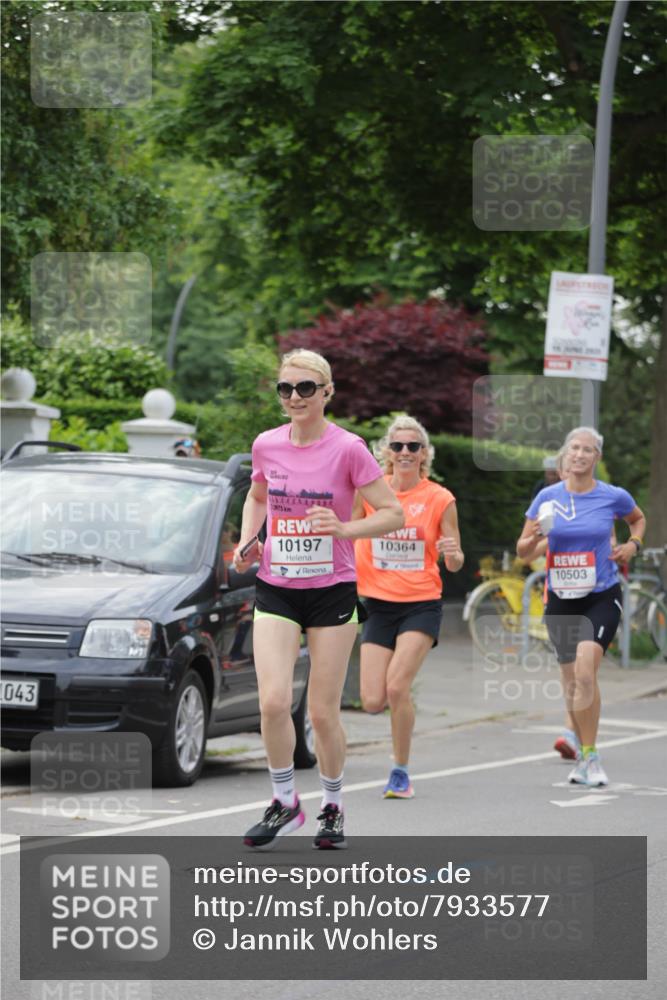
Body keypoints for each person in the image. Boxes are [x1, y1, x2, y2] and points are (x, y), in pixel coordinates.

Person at [232, 349, 403, 849]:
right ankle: (285, 802)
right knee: (272, 701)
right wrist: (249, 540)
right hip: (276, 587)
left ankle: (332, 806)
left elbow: (392, 514)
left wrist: (345, 527)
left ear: (327, 392)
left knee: (323, 712)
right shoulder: (267, 445)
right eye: (286, 389)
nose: (294, 398)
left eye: (306, 388)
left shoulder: (348, 448)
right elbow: (257, 497)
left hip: (331, 591)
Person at [516, 427, 646, 787]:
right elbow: (522, 551)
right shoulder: (547, 498)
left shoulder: (612, 496)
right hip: (561, 598)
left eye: (587, 450)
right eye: (574, 448)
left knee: (587, 674)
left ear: (596, 458)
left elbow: (637, 518)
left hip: (601, 594)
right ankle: (580, 747)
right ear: (566, 454)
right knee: (574, 682)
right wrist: (534, 539)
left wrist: (633, 544)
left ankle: (591, 756)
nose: (580, 454)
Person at [352, 414, 463, 799]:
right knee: (371, 700)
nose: (404, 452)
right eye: (397, 445)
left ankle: (400, 770)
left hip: (421, 604)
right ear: (386, 451)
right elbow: (348, 533)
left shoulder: (439, 498)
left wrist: (453, 554)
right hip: (378, 604)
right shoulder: (370, 492)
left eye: (413, 446)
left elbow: (454, 560)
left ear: (424, 455)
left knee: (397, 686)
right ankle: (400, 723)